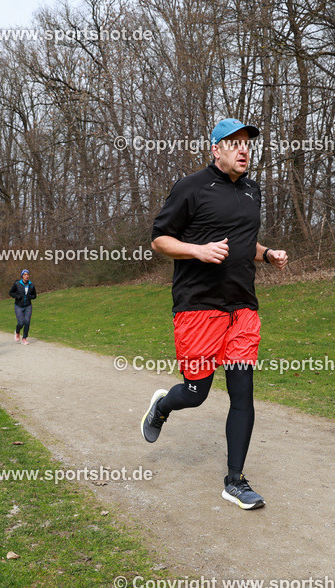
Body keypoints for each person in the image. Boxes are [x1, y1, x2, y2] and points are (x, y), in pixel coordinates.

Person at [141, 118, 288, 511]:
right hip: (198, 306)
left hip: (242, 306)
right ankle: (163, 406)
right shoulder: (191, 187)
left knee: (243, 394)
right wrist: (198, 250)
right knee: (196, 392)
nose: (244, 150)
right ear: (215, 149)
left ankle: (235, 480)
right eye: (234, 143)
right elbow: (159, 239)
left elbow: (244, 242)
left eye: (248, 145)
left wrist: (267, 253)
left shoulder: (253, 191)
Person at [9, 268, 37, 344]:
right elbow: (11, 293)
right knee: (21, 323)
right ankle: (17, 332)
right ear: (22, 276)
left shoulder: (31, 285)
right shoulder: (17, 284)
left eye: (27, 274)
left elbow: (35, 295)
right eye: (24, 275)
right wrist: (17, 296)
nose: (26, 276)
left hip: (28, 306)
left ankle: (24, 338)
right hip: (19, 306)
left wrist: (30, 297)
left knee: (27, 322)